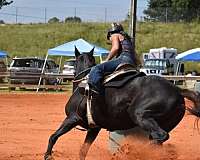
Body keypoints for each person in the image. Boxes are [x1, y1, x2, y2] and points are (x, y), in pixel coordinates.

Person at [80, 22, 136, 95]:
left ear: (110, 33)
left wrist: (107, 60)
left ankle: (95, 91)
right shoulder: (126, 38)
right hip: (131, 61)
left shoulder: (114, 35)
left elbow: (115, 48)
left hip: (123, 59)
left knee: (96, 69)